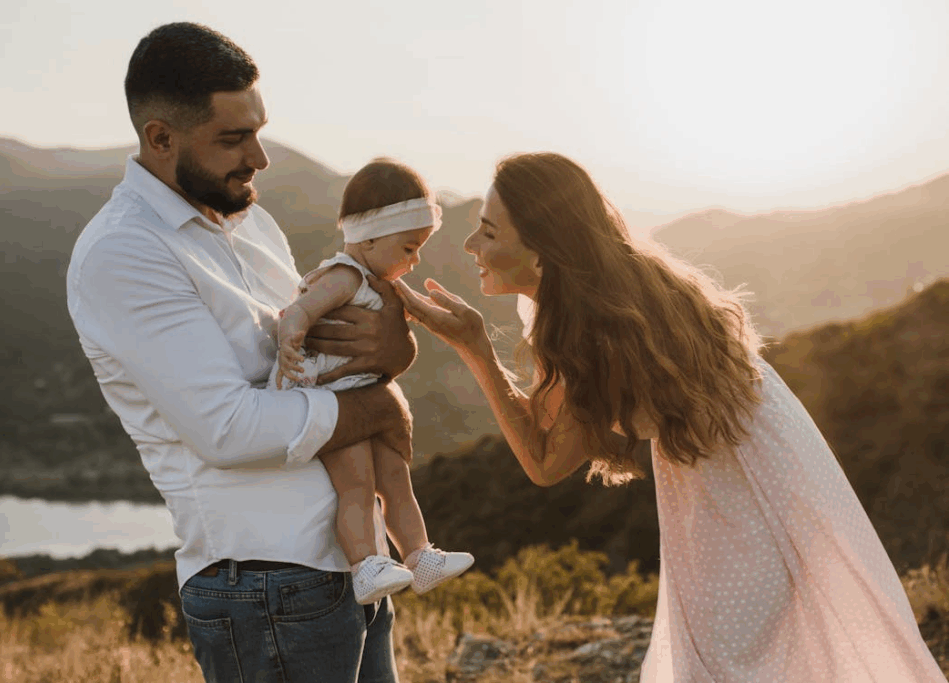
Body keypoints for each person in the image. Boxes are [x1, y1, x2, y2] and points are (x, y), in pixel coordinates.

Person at [395, 152, 947, 681]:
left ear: (543, 253)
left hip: (741, 498)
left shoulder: (593, 330)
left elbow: (543, 461)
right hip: (744, 478)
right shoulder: (595, 296)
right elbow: (546, 428)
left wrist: (475, 350)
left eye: (488, 232)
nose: (470, 245)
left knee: (735, 661)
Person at [66, 22, 413, 683]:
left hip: (348, 562)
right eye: (233, 138)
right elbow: (227, 429)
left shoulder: (250, 220)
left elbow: (325, 356)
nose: (260, 157)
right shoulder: (124, 252)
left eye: (258, 130)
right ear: (159, 137)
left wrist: (394, 350)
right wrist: (380, 402)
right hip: (265, 584)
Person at [267, 158, 474, 604]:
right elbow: (298, 311)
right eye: (409, 247)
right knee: (357, 483)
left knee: (397, 479)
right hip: (335, 402)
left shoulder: (379, 281)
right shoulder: (344, 276)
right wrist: (289, 341)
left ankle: (419, 557)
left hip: (366, 398)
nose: (415, 260)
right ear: (370, 236)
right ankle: (365, 565)